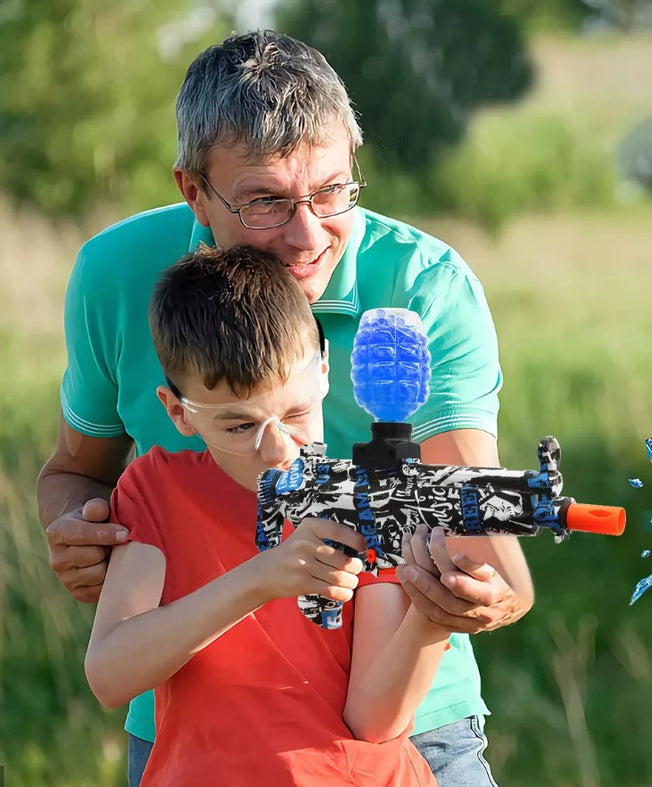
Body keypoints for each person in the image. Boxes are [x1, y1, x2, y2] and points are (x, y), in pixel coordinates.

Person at [37, 30, 534, 786]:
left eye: (331, 191)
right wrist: (77, 531)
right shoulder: (115, 275)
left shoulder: (422, 287)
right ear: (193, 191)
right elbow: (75, 474)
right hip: (194, 729)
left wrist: (487, 595)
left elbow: (471, 508)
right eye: (266, 201)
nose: (307, 236)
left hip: (407, 727)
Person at [85, 244, 449, 785]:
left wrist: (433, 614)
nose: (278, 449)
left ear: (325, 370)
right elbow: (111, 675)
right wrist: (259, 579)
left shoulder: (371, 497)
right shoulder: (158, 488)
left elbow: (373, 722)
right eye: (238, 426)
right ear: (177, 412)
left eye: (297, 413)